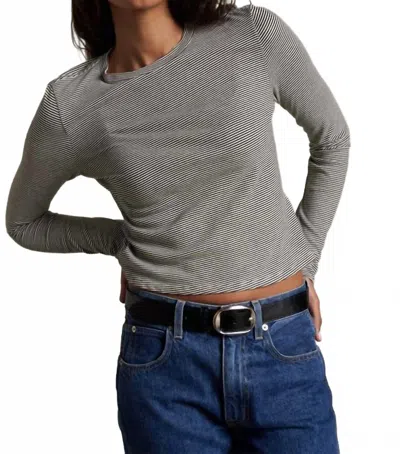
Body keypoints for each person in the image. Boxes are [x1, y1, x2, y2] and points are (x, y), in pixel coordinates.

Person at [5, 0, 350, 452]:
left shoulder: (252, 34)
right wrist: (120, 241)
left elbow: (332, 139)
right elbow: (24, 222)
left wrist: (306, 260)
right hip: (164, 366)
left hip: (282, 345)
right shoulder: (71, 105)